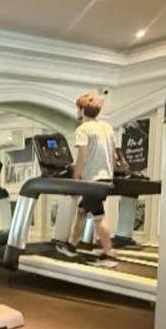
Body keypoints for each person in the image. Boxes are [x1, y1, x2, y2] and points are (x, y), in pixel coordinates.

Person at [58, 91, 119, 265]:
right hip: (105, 179)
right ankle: (72, 245)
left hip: (91, 181)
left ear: (82, 109)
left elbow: (82, 157)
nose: (77, 111)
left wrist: (75, 178)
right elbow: (114, 157)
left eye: (78, 108)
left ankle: (108, 251)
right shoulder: (107, 128)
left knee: (98, 217)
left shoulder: (83, 130)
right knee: (82, 212)